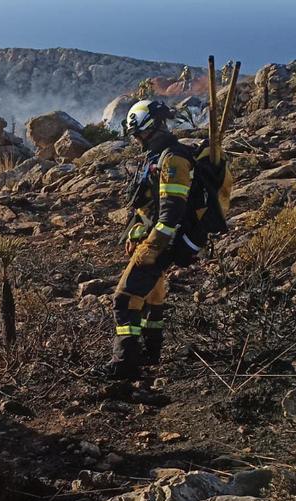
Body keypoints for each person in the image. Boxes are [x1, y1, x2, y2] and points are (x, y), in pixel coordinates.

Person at [105, 99, 225, 381]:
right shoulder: (158, 157)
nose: (137, 139)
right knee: (152, 297)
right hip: (156, 237)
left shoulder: (173, 159)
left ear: (151, 128)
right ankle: (150, 354)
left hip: (163, 241)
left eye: (139, 133)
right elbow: (151, 206)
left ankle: (124, 364)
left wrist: (152, 246)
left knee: (125, 298)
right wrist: (137, 231)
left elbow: (171, 213)